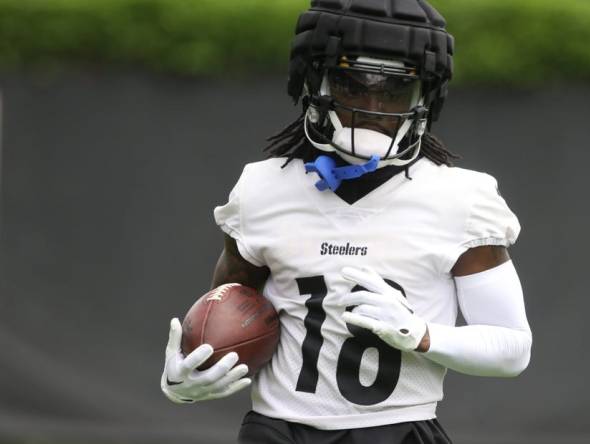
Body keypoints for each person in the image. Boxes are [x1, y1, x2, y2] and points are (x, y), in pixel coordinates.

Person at [160, 1, 533, 443]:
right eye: (351, 84)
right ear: (312, 81)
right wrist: (185, 380)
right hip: (277, 432)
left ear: (424, 97)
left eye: (394, 90)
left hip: (396, 432)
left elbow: (512, 350)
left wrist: (423, 335)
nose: (372, 106)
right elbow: (230, 315)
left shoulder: (461, 199)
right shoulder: (262, 190)